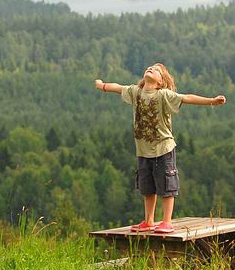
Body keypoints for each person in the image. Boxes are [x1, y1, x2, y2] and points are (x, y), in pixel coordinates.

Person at [95, 64, 226, 233]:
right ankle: (149, 221)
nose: (150, 68)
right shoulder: (136, 92)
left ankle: (166, 222)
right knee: (147, 186)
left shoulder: (163, 95)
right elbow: (118, 87)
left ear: (161, 82)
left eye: (156, 70)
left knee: (166, 184)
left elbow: (186, 97)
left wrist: (211, 101)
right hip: (143, 150)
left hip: (163, 148)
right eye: (149, 67)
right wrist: (102, 86)